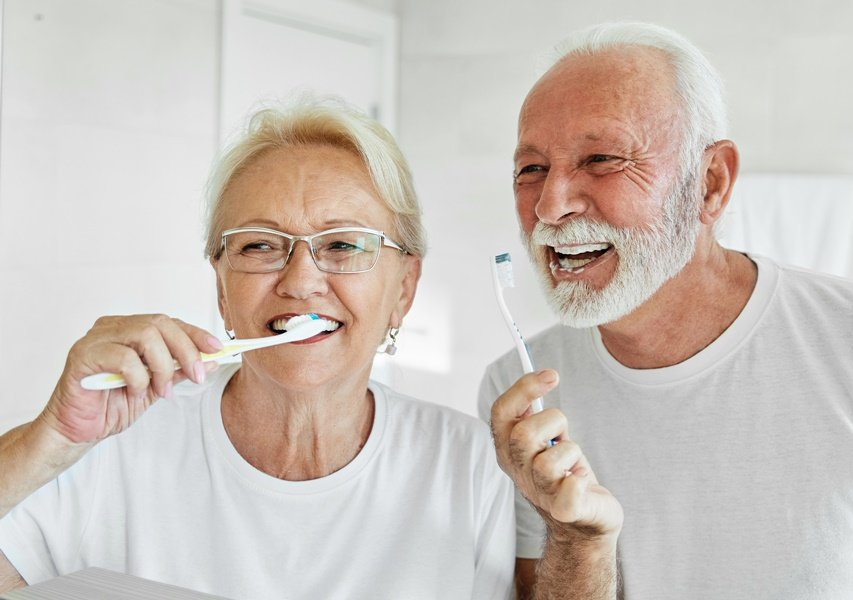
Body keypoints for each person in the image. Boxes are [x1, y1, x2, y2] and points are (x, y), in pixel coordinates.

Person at [0, 96, 515, 599]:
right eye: (260, 245)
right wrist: (50, 440)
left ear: (403, 290)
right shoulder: (114, 446)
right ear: (222, 291)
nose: (301, 281)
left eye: (342, 244)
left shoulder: (469, 465)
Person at [481, 21, 853, 600]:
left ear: (710, 183)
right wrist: (576, 541)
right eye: (531, 169)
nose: (550, 206)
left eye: (601, 158)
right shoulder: (521, 393)